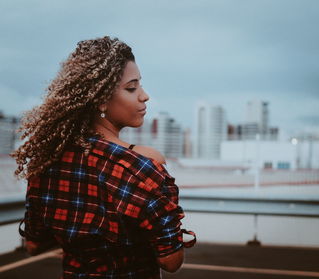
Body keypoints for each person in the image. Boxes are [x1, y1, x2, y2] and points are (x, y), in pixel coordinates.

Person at [10, 36, 196, 279]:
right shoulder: (140, 166)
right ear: (100, 99)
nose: (145, 96)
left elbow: (34, 245)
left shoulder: (47, 162)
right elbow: (171, 261)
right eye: (132, 87)